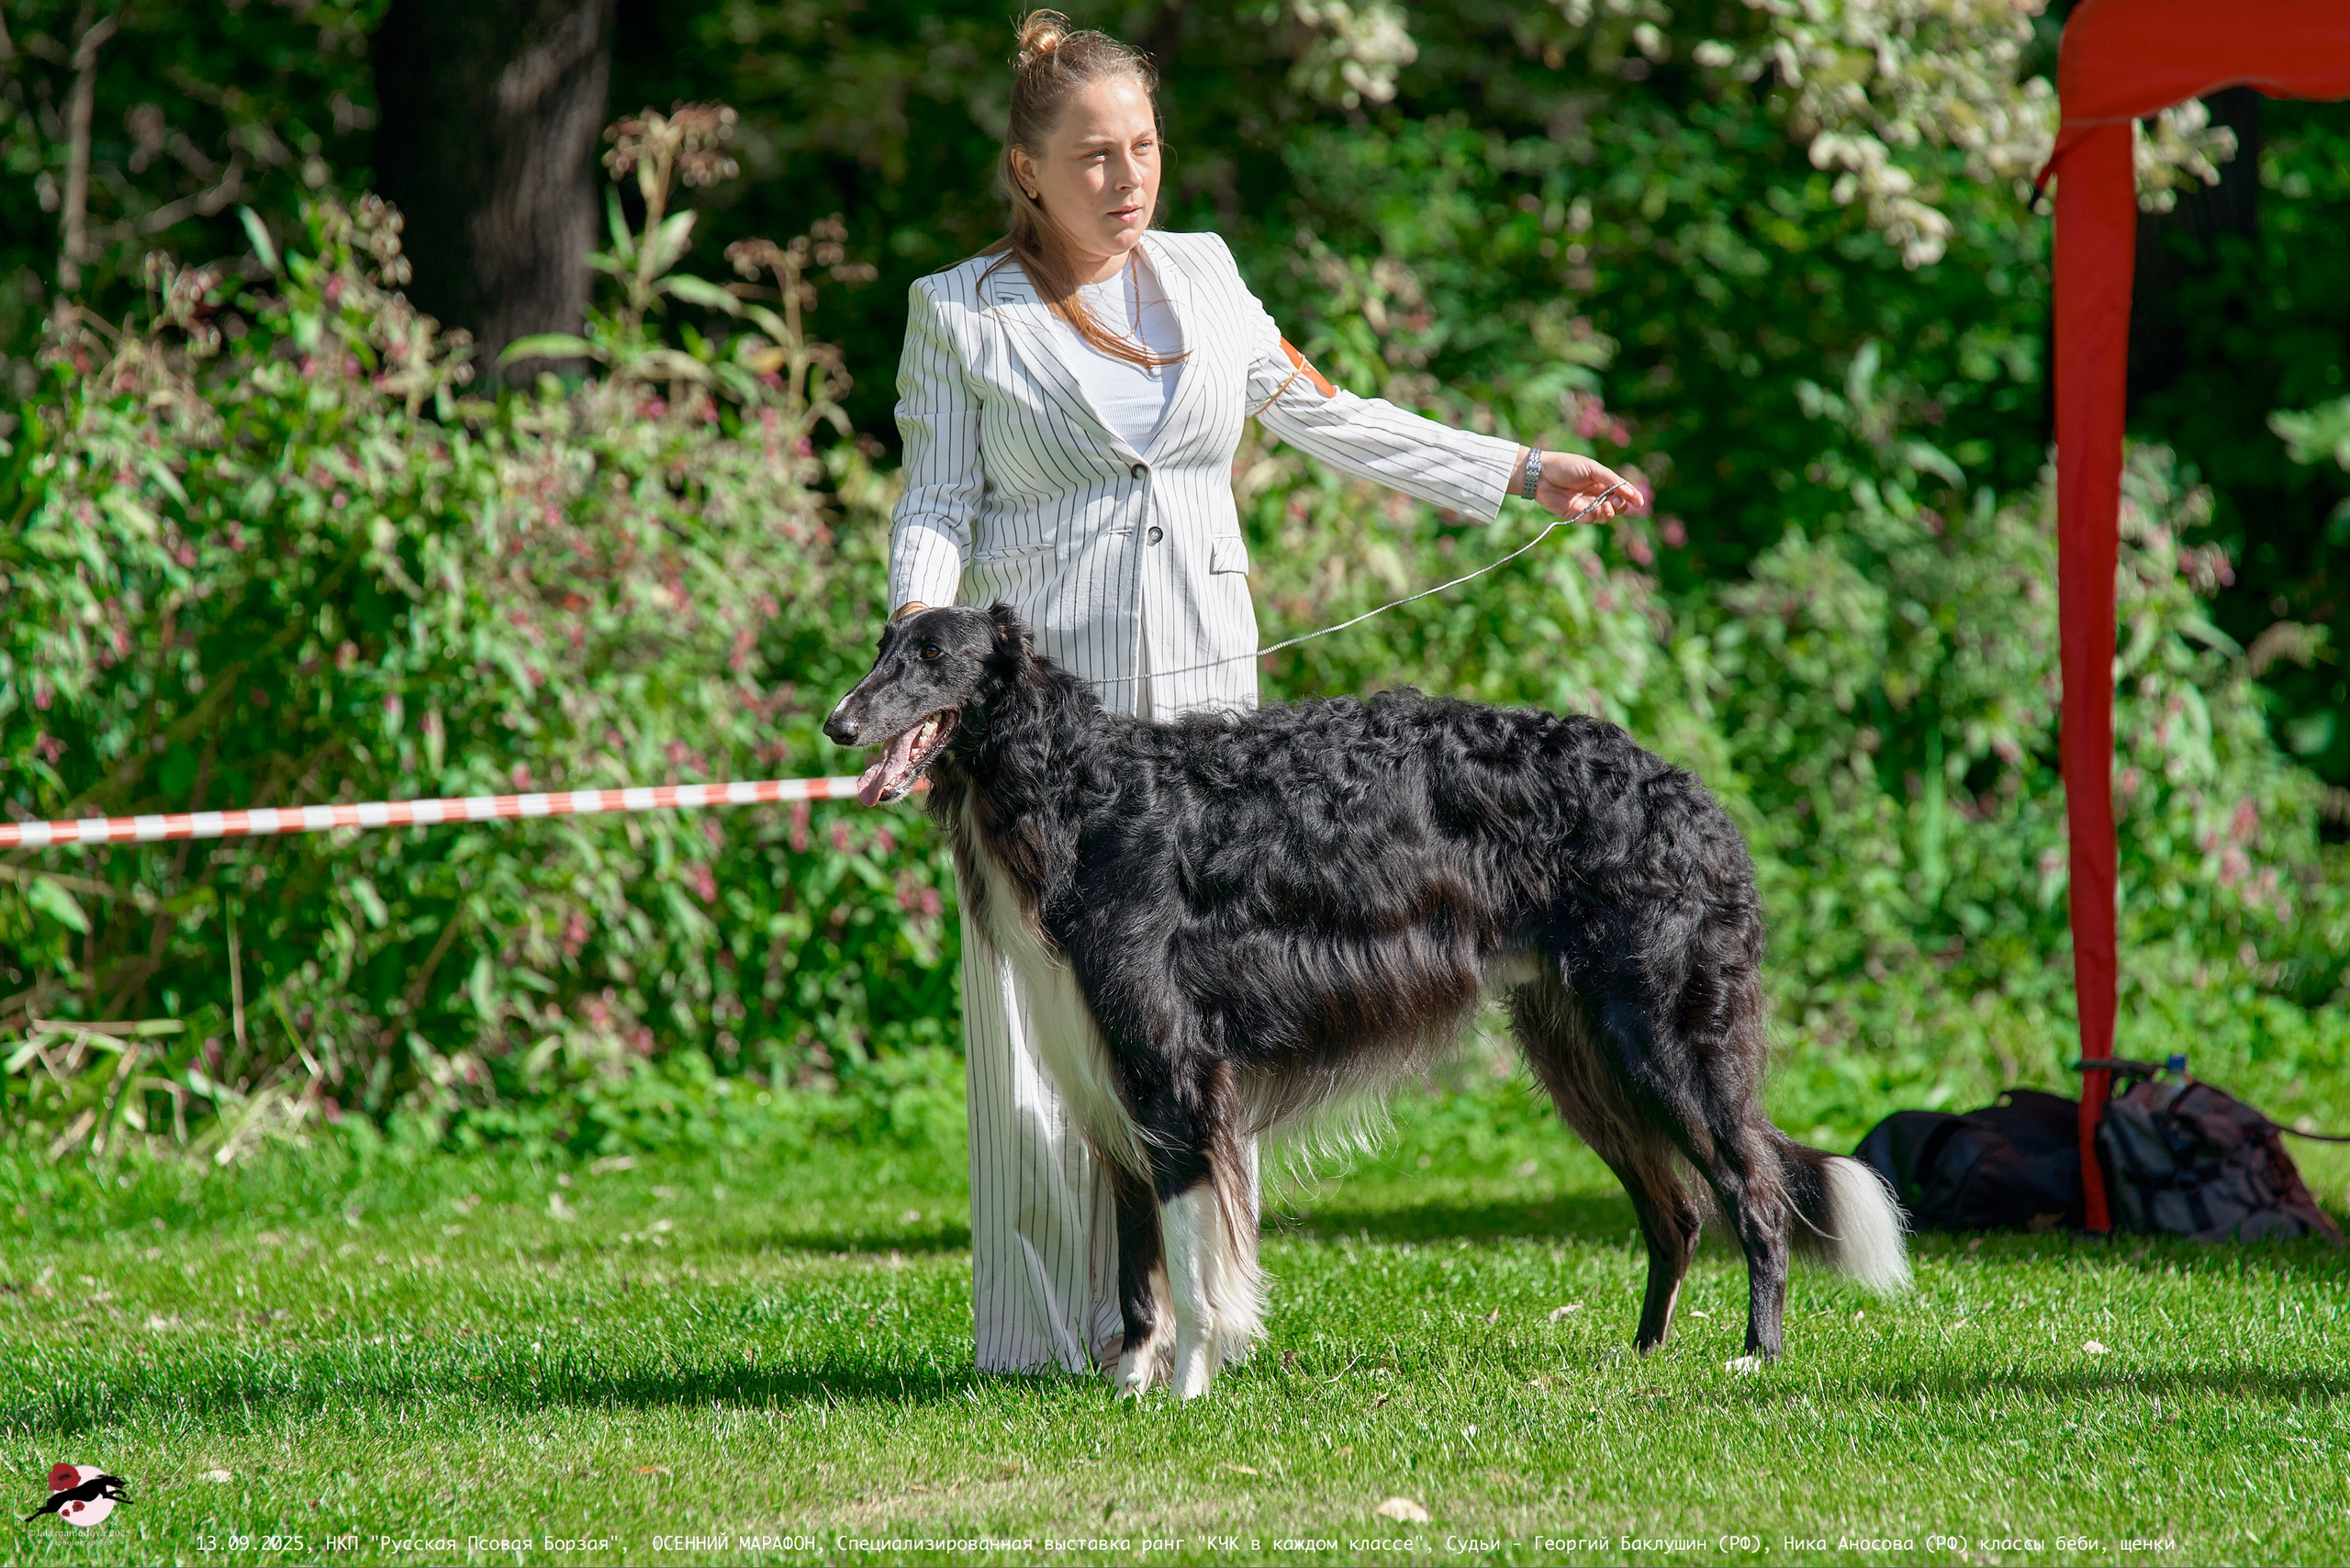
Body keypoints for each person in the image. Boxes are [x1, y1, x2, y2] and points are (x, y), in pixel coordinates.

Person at [886, 9, 1635, 1376]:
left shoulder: (1210, 278)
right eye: (1094, 157)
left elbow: (1329, 412)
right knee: (1041, 1046)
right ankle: (1045, 1339)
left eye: (1145, 148)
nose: (1127, 179)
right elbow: (934, 504)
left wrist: (1520, 470)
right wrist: (921, 655)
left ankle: (1190, 1323)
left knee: (1193, 1036)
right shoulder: (958, 314)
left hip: (1207, 702)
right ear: (1027, 171)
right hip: (1046, 726)